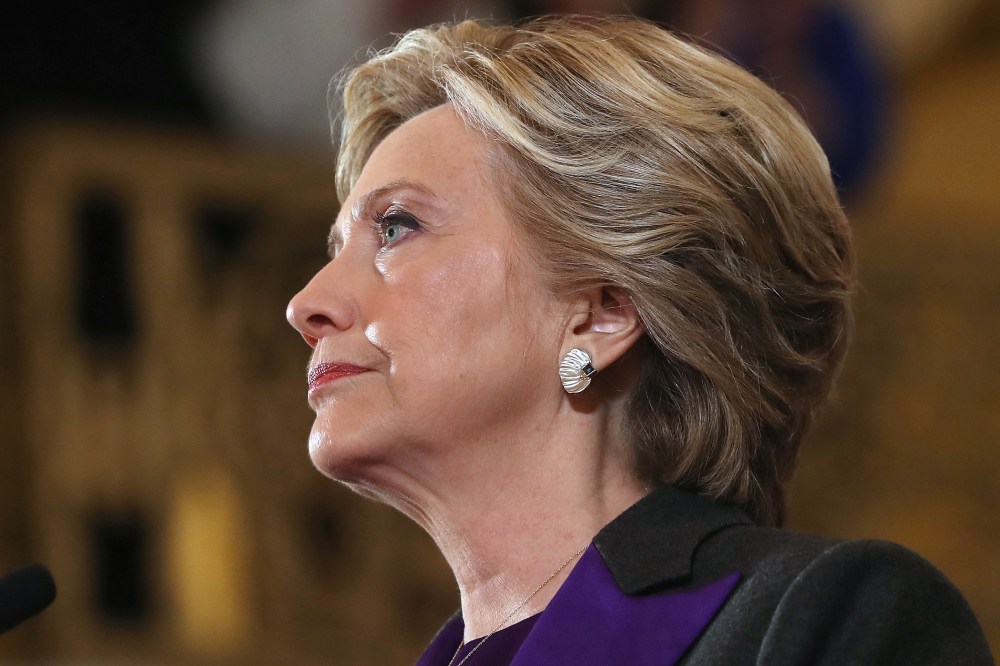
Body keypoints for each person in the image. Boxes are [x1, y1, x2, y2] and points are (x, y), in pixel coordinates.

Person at [286, 15, 992, 665]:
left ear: (602, 314)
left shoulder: (830, 620)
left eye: (398, 227)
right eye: (336, 246)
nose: (305, 304)